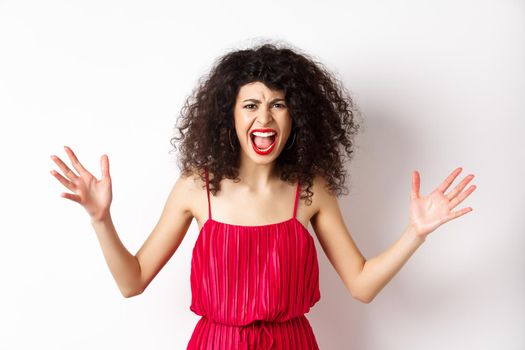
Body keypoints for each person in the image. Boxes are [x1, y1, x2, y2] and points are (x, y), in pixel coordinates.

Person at [49, 41, 477, 349]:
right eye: (251, 105)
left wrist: (415, 233)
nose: (265, 116)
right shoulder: (197, 188)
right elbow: (132, 282)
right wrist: (100, 219)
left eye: (278, 103)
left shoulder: (311, 191)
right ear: (229, 116)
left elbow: (361, 285)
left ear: (296, 117)